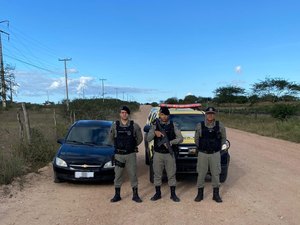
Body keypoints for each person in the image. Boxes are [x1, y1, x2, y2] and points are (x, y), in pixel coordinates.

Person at [147, 106, 183, 202]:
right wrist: (155, 133)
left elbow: (180, 138)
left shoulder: (173, 125)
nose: (164, 117)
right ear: (160, 115)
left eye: (166, 115)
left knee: (171, 174)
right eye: (162, 114)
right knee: (157, 175)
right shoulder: (154, 125)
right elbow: (148, 139)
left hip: (169, 154)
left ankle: (173, 194)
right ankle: (158, 193)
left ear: (168, 115)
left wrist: (170, 142)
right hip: (158, 153)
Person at [109, 106, 143, 203]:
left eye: (126, 112)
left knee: (133, 174)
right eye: (122, 112)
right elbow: (110, 138)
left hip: (130, 154)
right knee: (118, 175)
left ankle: (135, 195)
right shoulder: (114, 126)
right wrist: (117, 147)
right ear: (120, 114)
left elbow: (140, 138)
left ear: (128, 114)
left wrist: (132, 145)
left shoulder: (134, 126)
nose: (124, 114)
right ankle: (117, 195)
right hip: (119, 155)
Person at [194, 106, 227, 203]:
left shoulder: (220, 125)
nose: (210, 115)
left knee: (216, 174)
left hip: (215, 154)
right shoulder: (199, 125)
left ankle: (216, 195)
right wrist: (202, 148)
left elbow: (223, 139)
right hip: (203, 153)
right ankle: (200, 194)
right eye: (208, 113)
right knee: (201, 174)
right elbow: (196, 140)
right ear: (206, 114)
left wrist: (220, 149)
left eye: (212, 113)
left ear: (214, 115)